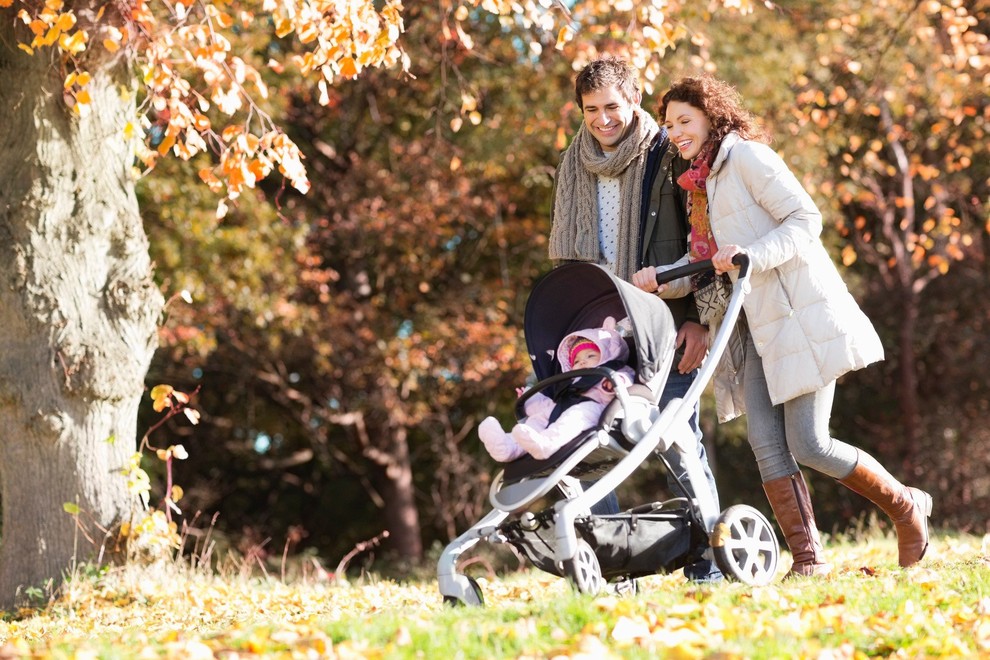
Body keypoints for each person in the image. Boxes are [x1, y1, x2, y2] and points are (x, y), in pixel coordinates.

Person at [634, 74, 932, 575]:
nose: (676, 131)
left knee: (810, 443)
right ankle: (807, 560)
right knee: (767, 444)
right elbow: (707, 260)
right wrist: (659, 280)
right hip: (749, 325)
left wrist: (752, 255)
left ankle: (907, 507)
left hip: (796, 313)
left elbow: (805, 219)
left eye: (685, 120)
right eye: (670, 124)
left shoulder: (747, 158)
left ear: (712, 115)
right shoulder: (698, 185)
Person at [547, 56, 722, 583]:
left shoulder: (668, 156)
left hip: (664, 319)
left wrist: (698, 319)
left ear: (635, 101)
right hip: (600, 326)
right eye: (591, 109)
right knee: (591, 445)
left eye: (613, 107)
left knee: (675, 436)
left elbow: (699, 241)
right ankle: (611, 564)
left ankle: (708, 561)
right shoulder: (573, 164)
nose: (603, 119)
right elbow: (567, 260)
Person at [479, 317, 635, 462]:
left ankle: (546, 444)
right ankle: (506, 447)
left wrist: (612, 384)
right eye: (577, 360)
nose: (582, 362)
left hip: (594, 407)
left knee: (573, 417)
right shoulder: (572, 381)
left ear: (607, 356)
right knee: (540, 417)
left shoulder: (615, 369)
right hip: (563, 405)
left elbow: (627, 379)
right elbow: (551, 403)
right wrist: (528, 398)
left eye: (590, 356)